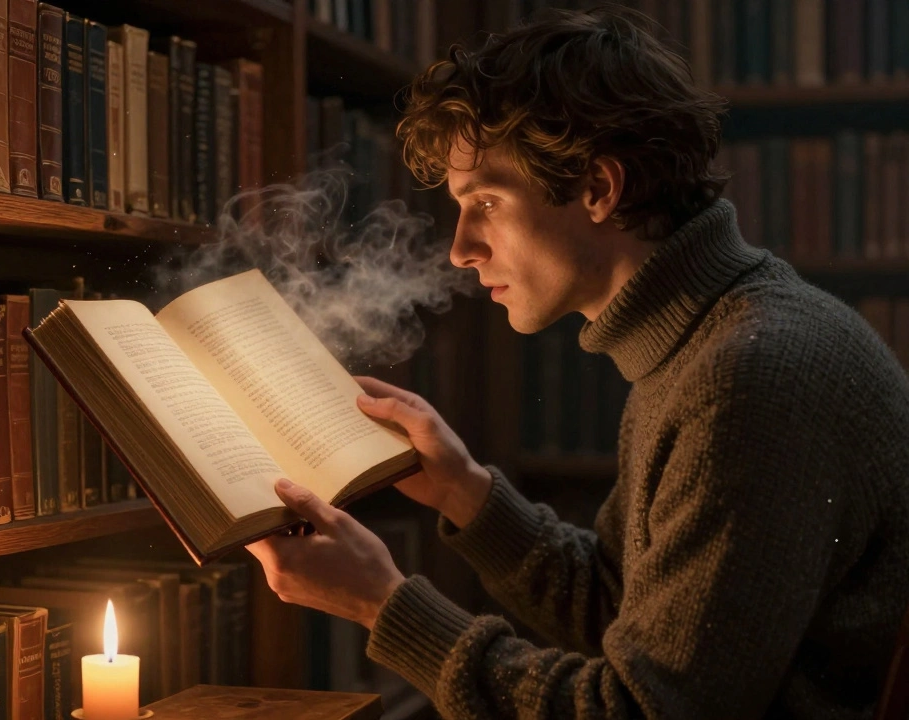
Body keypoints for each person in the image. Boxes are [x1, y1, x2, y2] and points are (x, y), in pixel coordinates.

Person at [245, 6, 909, 718]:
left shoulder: (749, 377)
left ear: (598, 189)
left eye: (487, 201)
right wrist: (463, 492)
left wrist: (384, 606)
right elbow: (629, 605)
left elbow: (644, 710)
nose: (461, 249)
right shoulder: (707, 343)